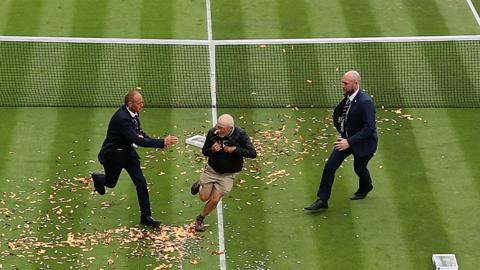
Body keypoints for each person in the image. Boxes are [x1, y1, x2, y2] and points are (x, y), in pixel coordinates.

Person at [91, 89, 178, 227]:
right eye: (139, 103)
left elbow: (139, 133)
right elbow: (138, 140)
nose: (142, 105)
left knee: (141, 183)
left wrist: (160, 143)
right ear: (130, 104)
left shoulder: (133, 113)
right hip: (113, 155)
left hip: (128, 154)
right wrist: (161, 142)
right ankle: (97, 177)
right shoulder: (122, 119)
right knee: (111, 182)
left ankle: (146, 217)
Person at [305, 70, 378, 211]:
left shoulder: (365, 102)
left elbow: (369, 128)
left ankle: (366, 186)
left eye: (345, 83)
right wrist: (343, 132)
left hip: (363, 144)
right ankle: (322, 200)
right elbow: (341, 114)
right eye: (342, 83)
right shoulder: (349, 97)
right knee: (330, 166)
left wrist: (349, 142)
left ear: (355, 84)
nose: (342, 86)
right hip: (346, 139)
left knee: (359, 168)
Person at [190, 114, 256, 232]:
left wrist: (235, 149)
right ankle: (200, 185)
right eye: (217, 126)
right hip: (212, 170)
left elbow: (252, 153)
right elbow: (205, 151)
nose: (218, 130)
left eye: (221, 128)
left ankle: (200, 218)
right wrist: (212, 150)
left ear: (230, 129)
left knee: (215, 199)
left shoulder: (240, 134)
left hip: (228, 174)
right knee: (204, 197)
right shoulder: (212, 133)